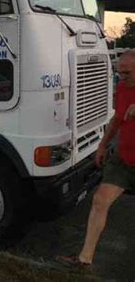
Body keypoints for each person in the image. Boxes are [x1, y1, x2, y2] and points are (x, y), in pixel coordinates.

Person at [57, 50, 135, 270]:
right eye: (119, 72)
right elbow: (117, 120)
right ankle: (84, 260)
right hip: (124, 160)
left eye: (127, 72)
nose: (122, 76)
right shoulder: (122, 88)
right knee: (100, 201)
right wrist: (102, 145)